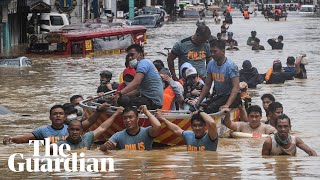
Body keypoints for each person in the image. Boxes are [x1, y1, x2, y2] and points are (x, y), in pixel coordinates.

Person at [197, 40, 241, 113]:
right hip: (220, 96)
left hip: (233, 97)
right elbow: (207, 85)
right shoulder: (211, 64)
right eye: (211, 52)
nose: (212, 54)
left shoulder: (231, 66)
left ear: (223, 51)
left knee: (211, 108)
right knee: (202, 106)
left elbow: (236, 87)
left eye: (215, 51)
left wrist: (227, 105)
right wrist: (198, 102)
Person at [116, 44, 163, 110]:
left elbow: (136, 82)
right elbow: (138, 90)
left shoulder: (143, 63)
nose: (130, 58)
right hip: (153, 101)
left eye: (132, 55)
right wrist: (122, 95)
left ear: (140, 54)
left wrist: (120, 93)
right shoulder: (144, 64)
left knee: (123, 100)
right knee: (124, 98)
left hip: (153, 102)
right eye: (128, 55)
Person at [57, 106, 123, 150]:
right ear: (68, 130)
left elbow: (102, 128)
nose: (74, 132)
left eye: (77, 130)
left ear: (82, 131)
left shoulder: (87, 138)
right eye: (72, 129)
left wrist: (115, 114)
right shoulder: (60, 144)